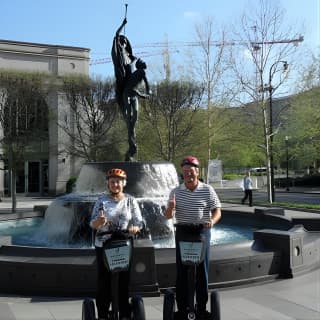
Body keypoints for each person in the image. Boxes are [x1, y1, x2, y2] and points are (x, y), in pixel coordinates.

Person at [164, 156, 222, 320]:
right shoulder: (175, 191)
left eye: (191, 171)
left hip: (202, 232)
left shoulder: (207, 189)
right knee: (182, 270)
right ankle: (182, 308)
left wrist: (212, 220)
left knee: (202, 271)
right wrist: (171, 207)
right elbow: (168, 216)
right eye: (185, 172)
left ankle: (201, 307)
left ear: (197, 172)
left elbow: (217, 210)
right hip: (183, 232)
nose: (188, 174)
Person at [90, 168, 143, 320]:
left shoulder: (130, 200)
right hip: (103, 243)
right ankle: (103, 313)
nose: (115, 185)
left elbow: (139, 220)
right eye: (112, 182)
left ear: (124, 183)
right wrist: (98, 222)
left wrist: (135, 227)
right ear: (108, 184)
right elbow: (92, 223)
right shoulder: (101, 201)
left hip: (124, 243)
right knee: (104, 280)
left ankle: (124, 312)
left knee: (124, 279)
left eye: (118, 182)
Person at [122, 58, 151, 161]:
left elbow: (141, 86)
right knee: (130, 116)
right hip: (128, 94)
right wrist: (147, 92)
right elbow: (146, 83)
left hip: (134, 95)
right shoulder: (140, 71)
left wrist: (145, 93)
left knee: (135, 113)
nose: (145, 62)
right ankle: (131, 144)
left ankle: (131, 138)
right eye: (143, 62)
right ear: (141, 65)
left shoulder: (139, 72)